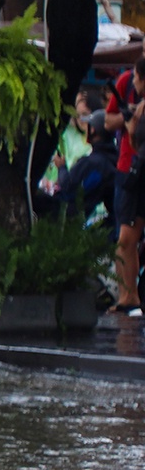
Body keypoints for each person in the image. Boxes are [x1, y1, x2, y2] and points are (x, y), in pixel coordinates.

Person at [107, 59, 145, 314]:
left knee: (126, 240)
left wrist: (132, 126)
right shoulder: (127, 87)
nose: (132, 81)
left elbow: (136, 138)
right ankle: (128, 294)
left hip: (138, 175)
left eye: (136, 77)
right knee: (125, 239)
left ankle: (130, 295)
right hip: (132, 172)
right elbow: (111, 122)